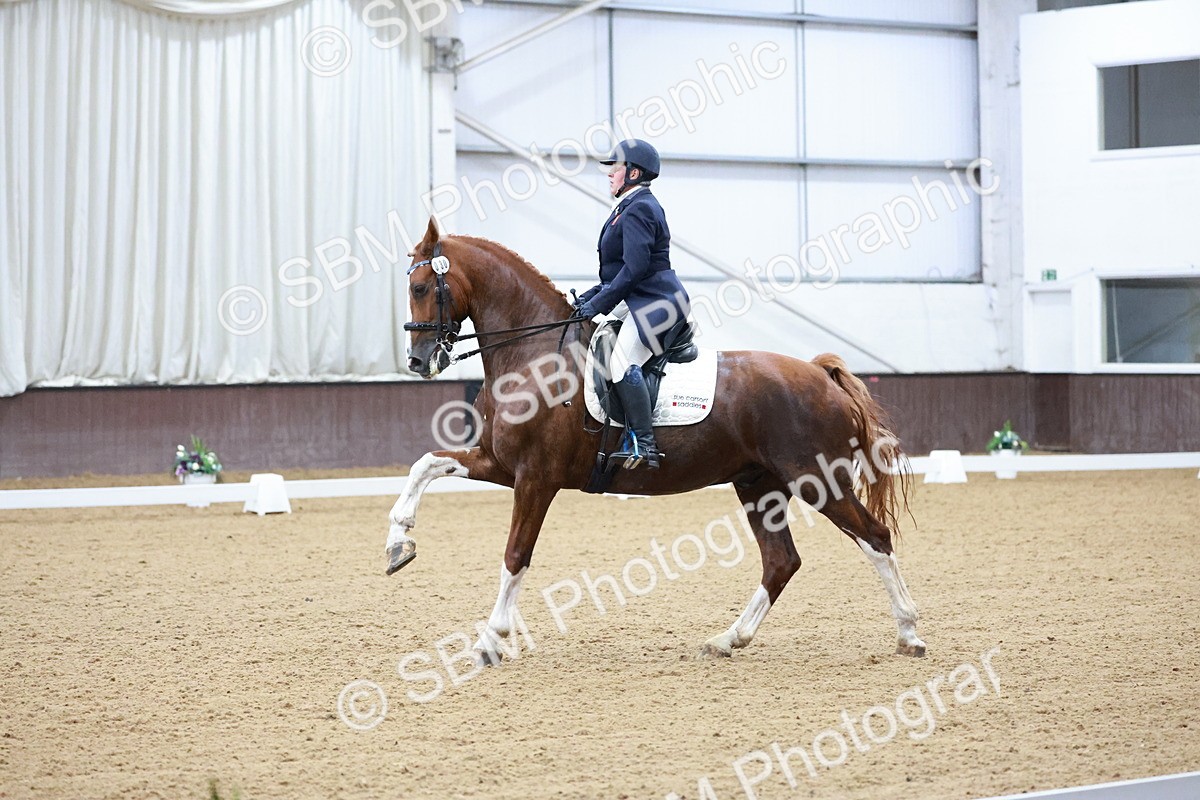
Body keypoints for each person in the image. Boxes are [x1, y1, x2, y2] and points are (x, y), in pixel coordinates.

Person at [575, 139, 691, 469]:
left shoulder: (640, 207)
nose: (609, 174)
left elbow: (636, 269)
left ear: (634, 172)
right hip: (640, 296)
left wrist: (598, 305)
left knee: (621, 363)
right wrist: (590, 297)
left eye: (616, 168)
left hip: (658, 300)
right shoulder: (628, 205)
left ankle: (643, 443)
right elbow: (620, 271)